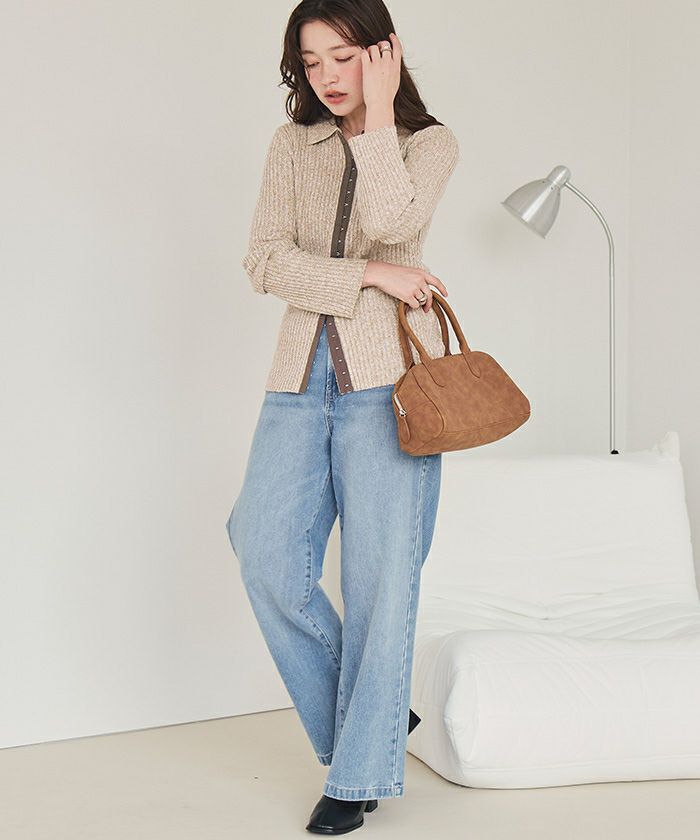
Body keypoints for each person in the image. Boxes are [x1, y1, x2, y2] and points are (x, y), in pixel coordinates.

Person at [226, 0, 459, 834]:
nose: (325, 75)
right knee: (262, 550)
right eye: (311, 59)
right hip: (298, 376)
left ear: (384, 53)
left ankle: (358, 773)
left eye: (344, 55)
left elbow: (396, 219)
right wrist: (371, 275)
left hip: (391, 385)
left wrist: (380, 117)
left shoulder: (429, 144)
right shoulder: (293, 145)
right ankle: (376, 720)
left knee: (380, 580)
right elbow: (264, 260)